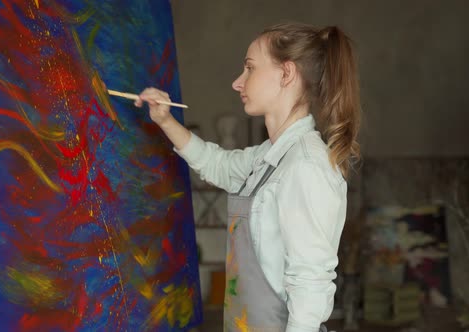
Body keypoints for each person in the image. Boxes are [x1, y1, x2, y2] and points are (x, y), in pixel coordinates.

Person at [135, 22, 361, 332]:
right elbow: (219, 165)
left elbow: (310, 285)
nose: (237, 82)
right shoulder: (270, 157)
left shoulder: (307, 165)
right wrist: (164, 120)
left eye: (250, 69)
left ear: (286, 74)